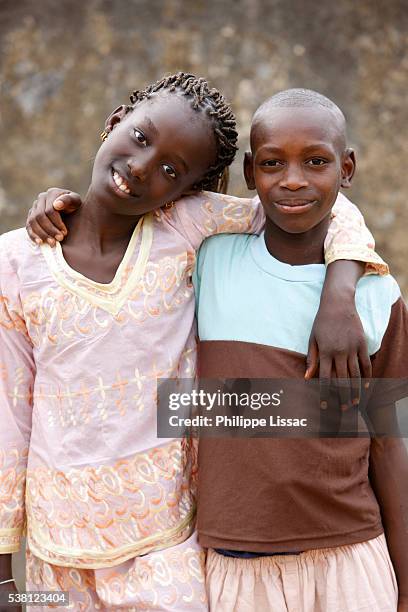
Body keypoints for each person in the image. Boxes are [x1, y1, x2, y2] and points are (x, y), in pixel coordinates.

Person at [0, 73, 386, 611]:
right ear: (115, 120)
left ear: (186, 191)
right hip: (56, 554)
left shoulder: (182, 229)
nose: (141, 166)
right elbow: (9, 419)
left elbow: (311, 203)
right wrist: (4, 577)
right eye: (140, 138)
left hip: (169, 543)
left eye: (170, 171)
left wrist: (340, 289)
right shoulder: (17, 261)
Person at [193, 88, 408, 611]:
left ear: (347, 168)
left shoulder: (377, 295)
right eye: (272, 163)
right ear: (249, 172)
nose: (293, 179)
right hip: (235, 560)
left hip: (352, 557)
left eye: (316, 161)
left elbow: (389, 443)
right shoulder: (206, 261)